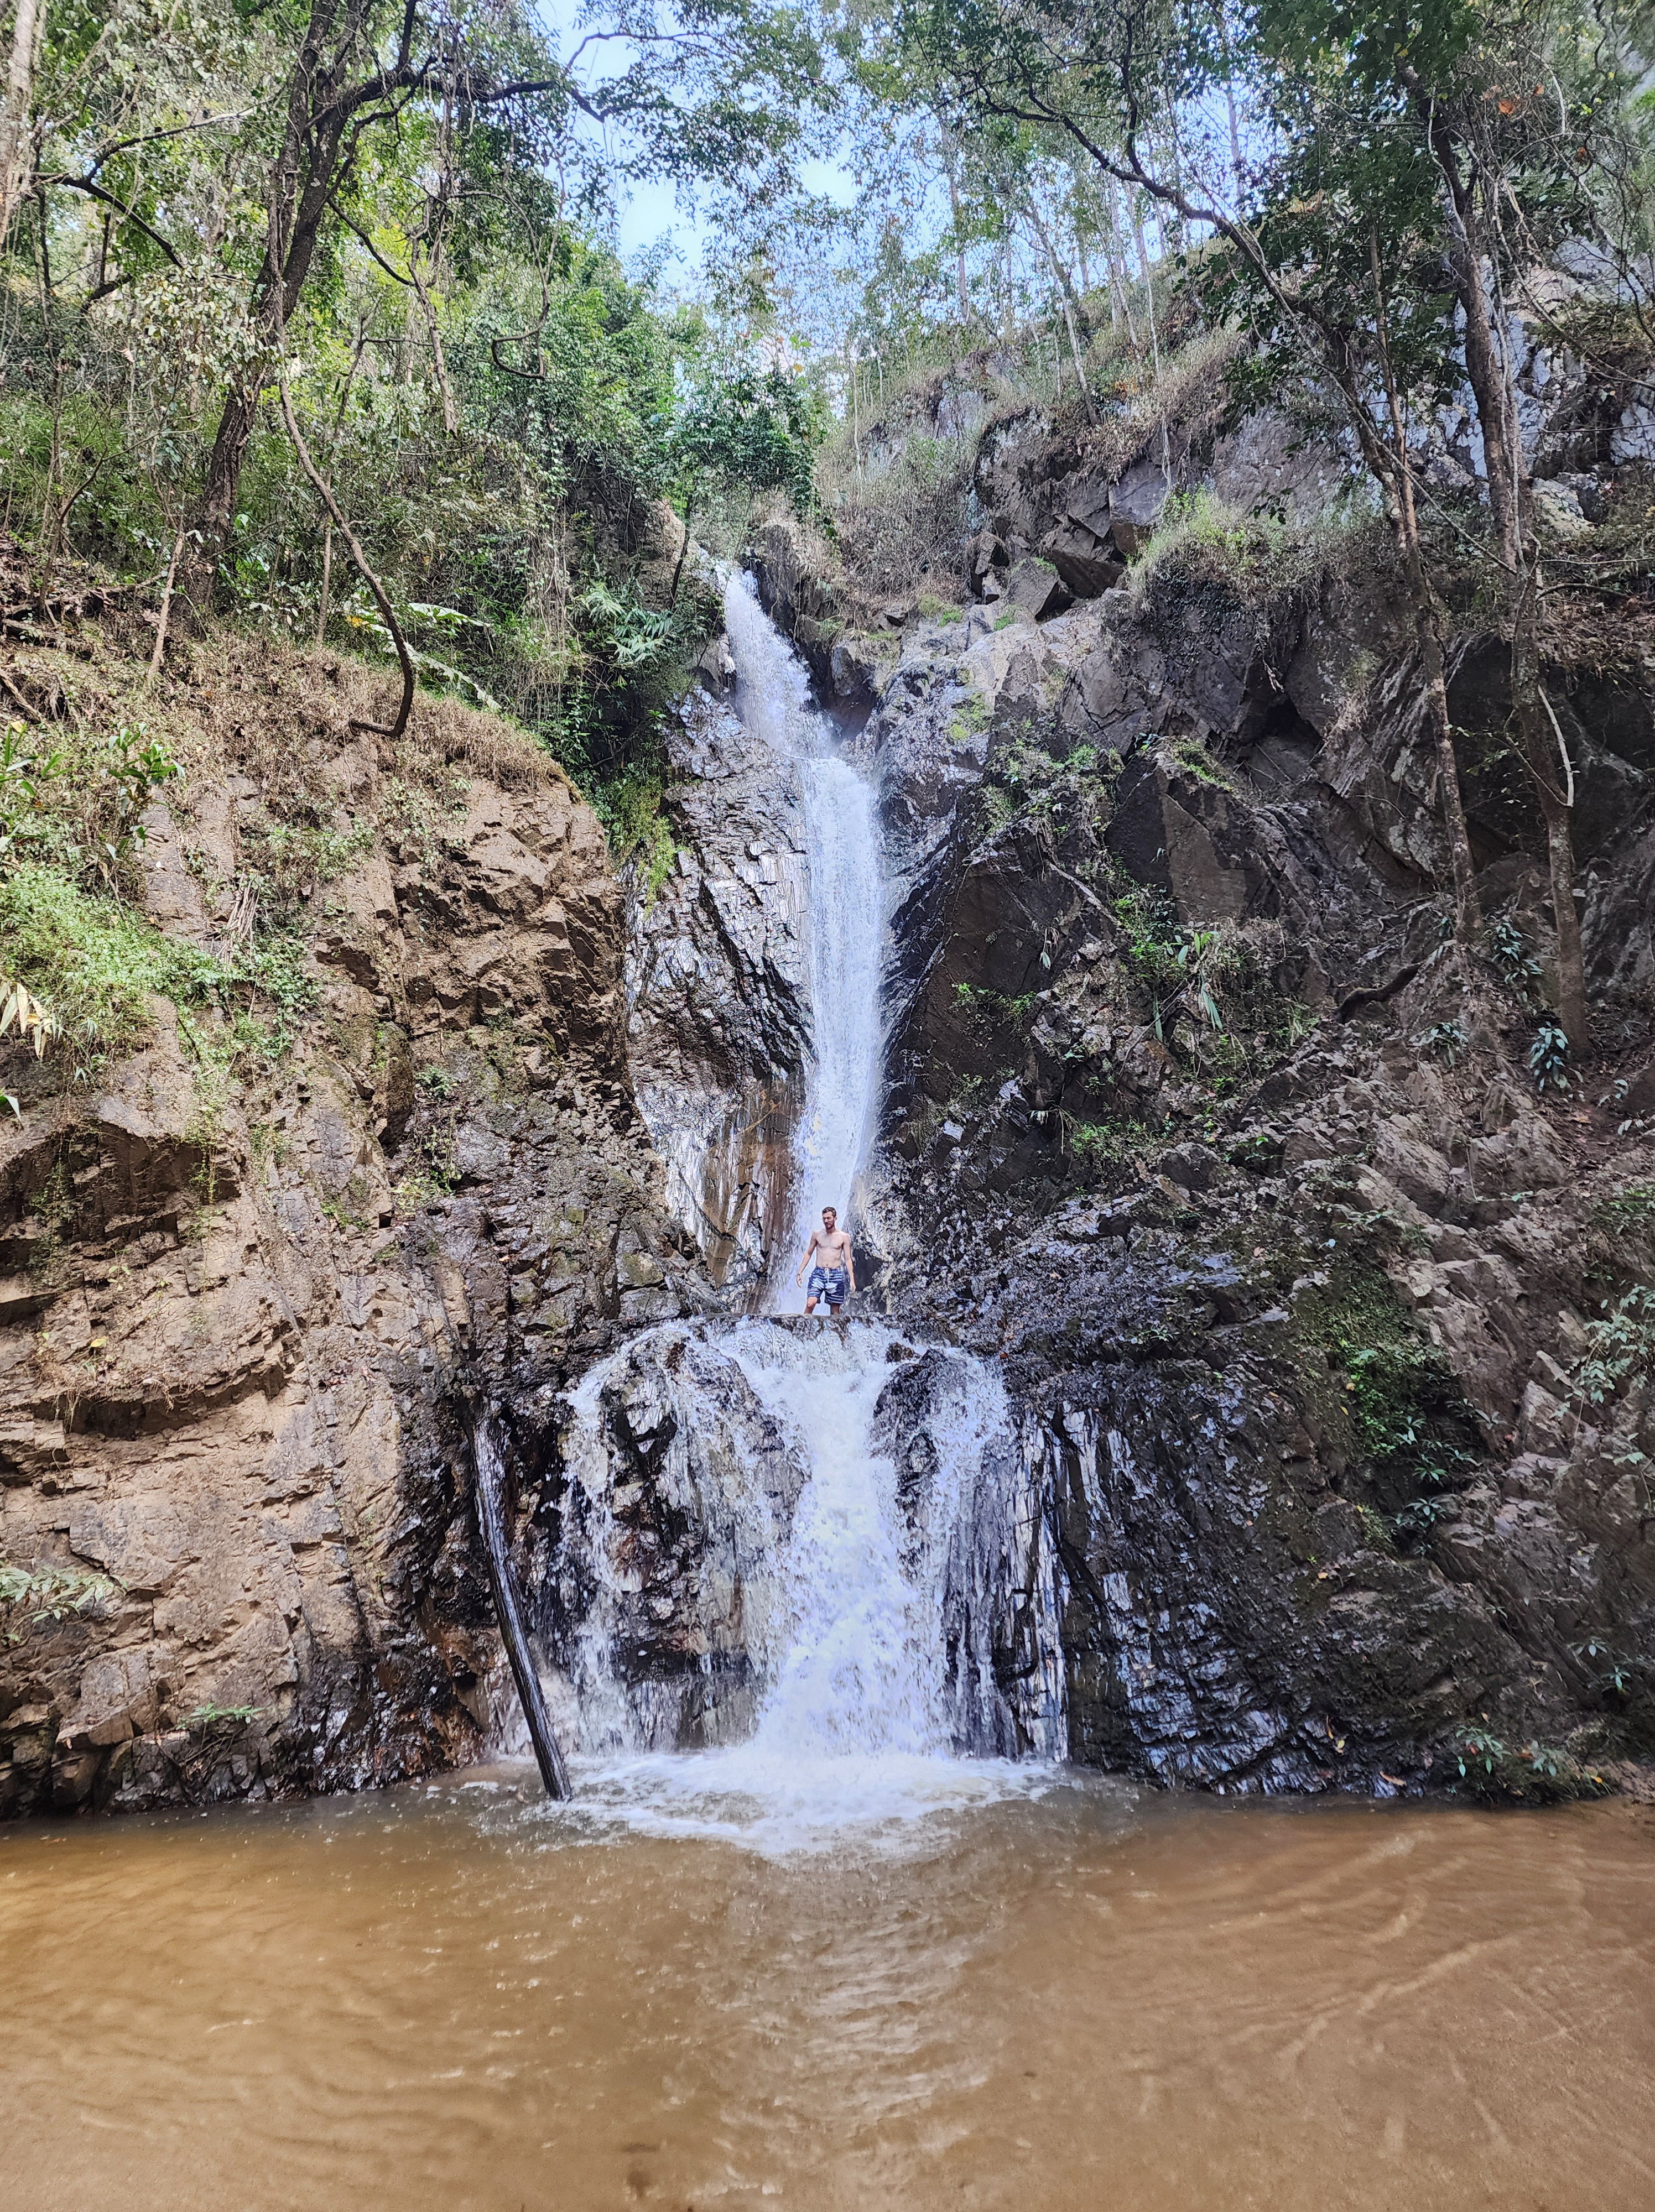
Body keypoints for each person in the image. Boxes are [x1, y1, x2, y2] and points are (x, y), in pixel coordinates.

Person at [795, 1205, 855, 1316]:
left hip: (835, 1275)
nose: (826, 1221)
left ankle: (835, 1332)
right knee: (810, 1304)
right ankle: (802, 1330)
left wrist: (852, 1279)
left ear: (835, 1219)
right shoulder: (817, 1235)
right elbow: (808, 1253)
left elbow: (848, 1259)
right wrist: (800, 1272)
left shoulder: (844, 1237)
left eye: (829, 1218)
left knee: (835, 1311)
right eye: (824, 1218)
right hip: (819, 1273)